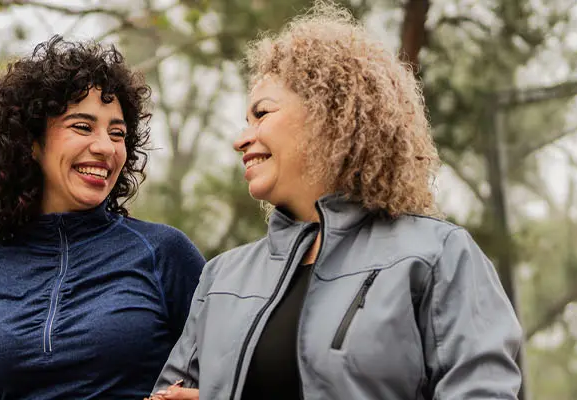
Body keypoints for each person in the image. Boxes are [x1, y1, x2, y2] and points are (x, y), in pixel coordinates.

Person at [150, 5, 523, 400]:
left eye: (262, 114)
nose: (241, 138)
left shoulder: (438, 257)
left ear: (329, 116)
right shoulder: (222, 278)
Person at [0, 35, 208, 399]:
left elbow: (231, 373)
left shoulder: (164, 252)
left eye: (117, 133)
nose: (105, 147)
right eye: (82, 126)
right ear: (32, 141)